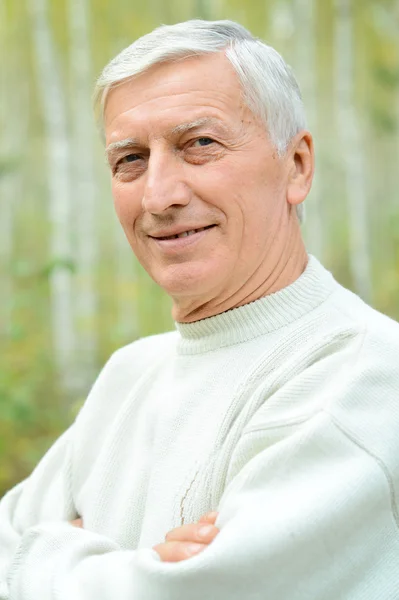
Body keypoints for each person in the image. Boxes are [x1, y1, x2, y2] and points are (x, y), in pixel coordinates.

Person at [1, 18, 399, 600]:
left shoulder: (363, 376)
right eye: (130, 159)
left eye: (199, 144)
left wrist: (47, 558)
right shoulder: (131, 374)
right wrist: (132, 571)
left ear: (297, 166)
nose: (161, 195)